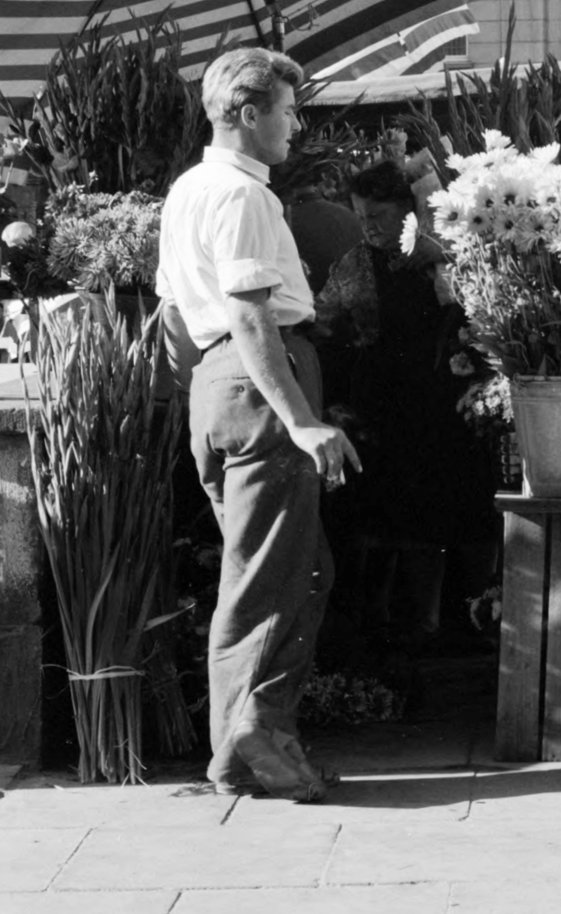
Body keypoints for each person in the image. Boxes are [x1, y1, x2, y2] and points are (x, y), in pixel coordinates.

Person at [156, 48, 361, 802]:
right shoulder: (243, 195)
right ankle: (257, 732)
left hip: (216, 387)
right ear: (248, 113)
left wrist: (207, 400)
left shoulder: (186, 190)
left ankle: (240, 757)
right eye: (287, 110)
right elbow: (248, 314)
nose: (294, 124)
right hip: (258, 379)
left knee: (263, 573)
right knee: (283, 576)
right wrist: (300, 420)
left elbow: (175, 318)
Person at [315, 160, 498, 651]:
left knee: (470, 510)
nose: (368, 225)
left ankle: (483, 618)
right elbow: (325, 321)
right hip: (390, 405)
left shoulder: (450, 257)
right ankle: (424, 625)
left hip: (453, 402)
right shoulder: (354, 264)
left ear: (410, 210)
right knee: (411, 519)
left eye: (378, 214)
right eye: (360, 215)